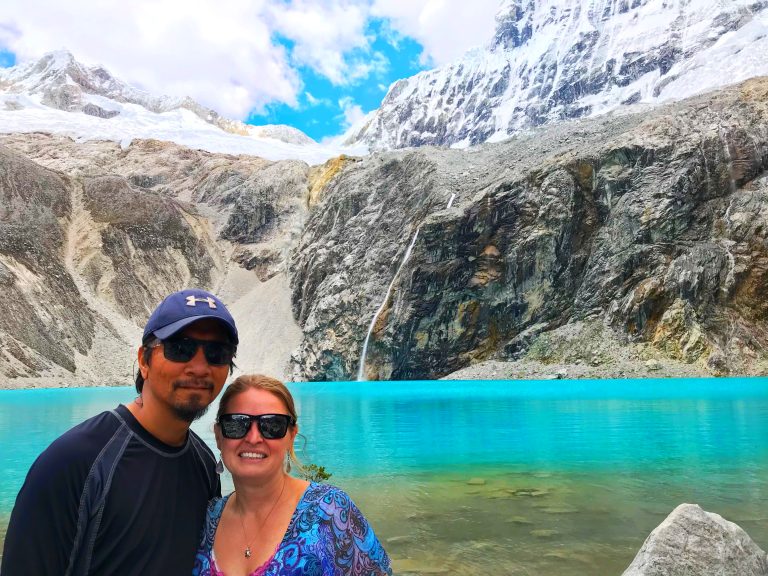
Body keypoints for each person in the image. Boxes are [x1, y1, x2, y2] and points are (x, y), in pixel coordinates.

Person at [1, 288, 238, 576]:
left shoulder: (202, 463)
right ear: (144, 360)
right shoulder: (74, 461)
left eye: (217, 353)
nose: (200, 367)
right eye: (181, 348)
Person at [194, 374, 392, 576]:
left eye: (272, 426)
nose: (253, 438)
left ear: (291, 436)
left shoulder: (329, 511)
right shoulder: (206, 519)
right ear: (218, 436)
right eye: (237, 424)